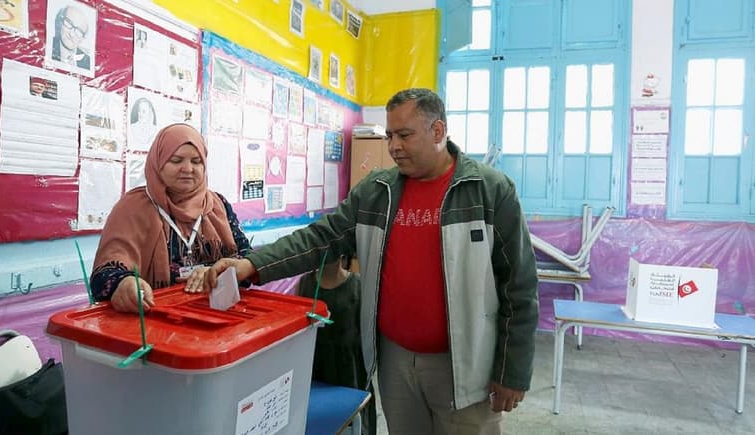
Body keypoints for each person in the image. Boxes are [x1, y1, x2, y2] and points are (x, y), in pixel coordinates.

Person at [201, 88, 539, 434]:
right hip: (395, 362)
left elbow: (519, 286)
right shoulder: (377, 191)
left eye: (404, 135)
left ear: (438, 131)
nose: (394, 146)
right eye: (390, 135)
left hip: (465, 365)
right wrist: (252, 265)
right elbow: (321, 237)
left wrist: (512, 371)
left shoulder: (489, 190)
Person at [90, 123, 251, 313]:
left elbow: (248, 259)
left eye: (196, 161)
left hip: (219, 315)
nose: (188, 169)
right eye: (176, 160)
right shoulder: (133, 208)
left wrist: (218, 271)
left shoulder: (218, 205)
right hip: (155, 319)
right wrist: (123, 283)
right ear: (158, 163)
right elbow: (105, 274)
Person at [296, 255, 376, 435]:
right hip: (315, 374)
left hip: (350, 374)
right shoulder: (304, 284)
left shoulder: (358, 286)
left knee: (355, 423)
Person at [51, 5, 91, 70]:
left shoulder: (87, 62)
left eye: (79, 31)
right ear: (60, 22)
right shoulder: (47, 47)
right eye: (69, 23)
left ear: (83, 38)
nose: (71, 34)